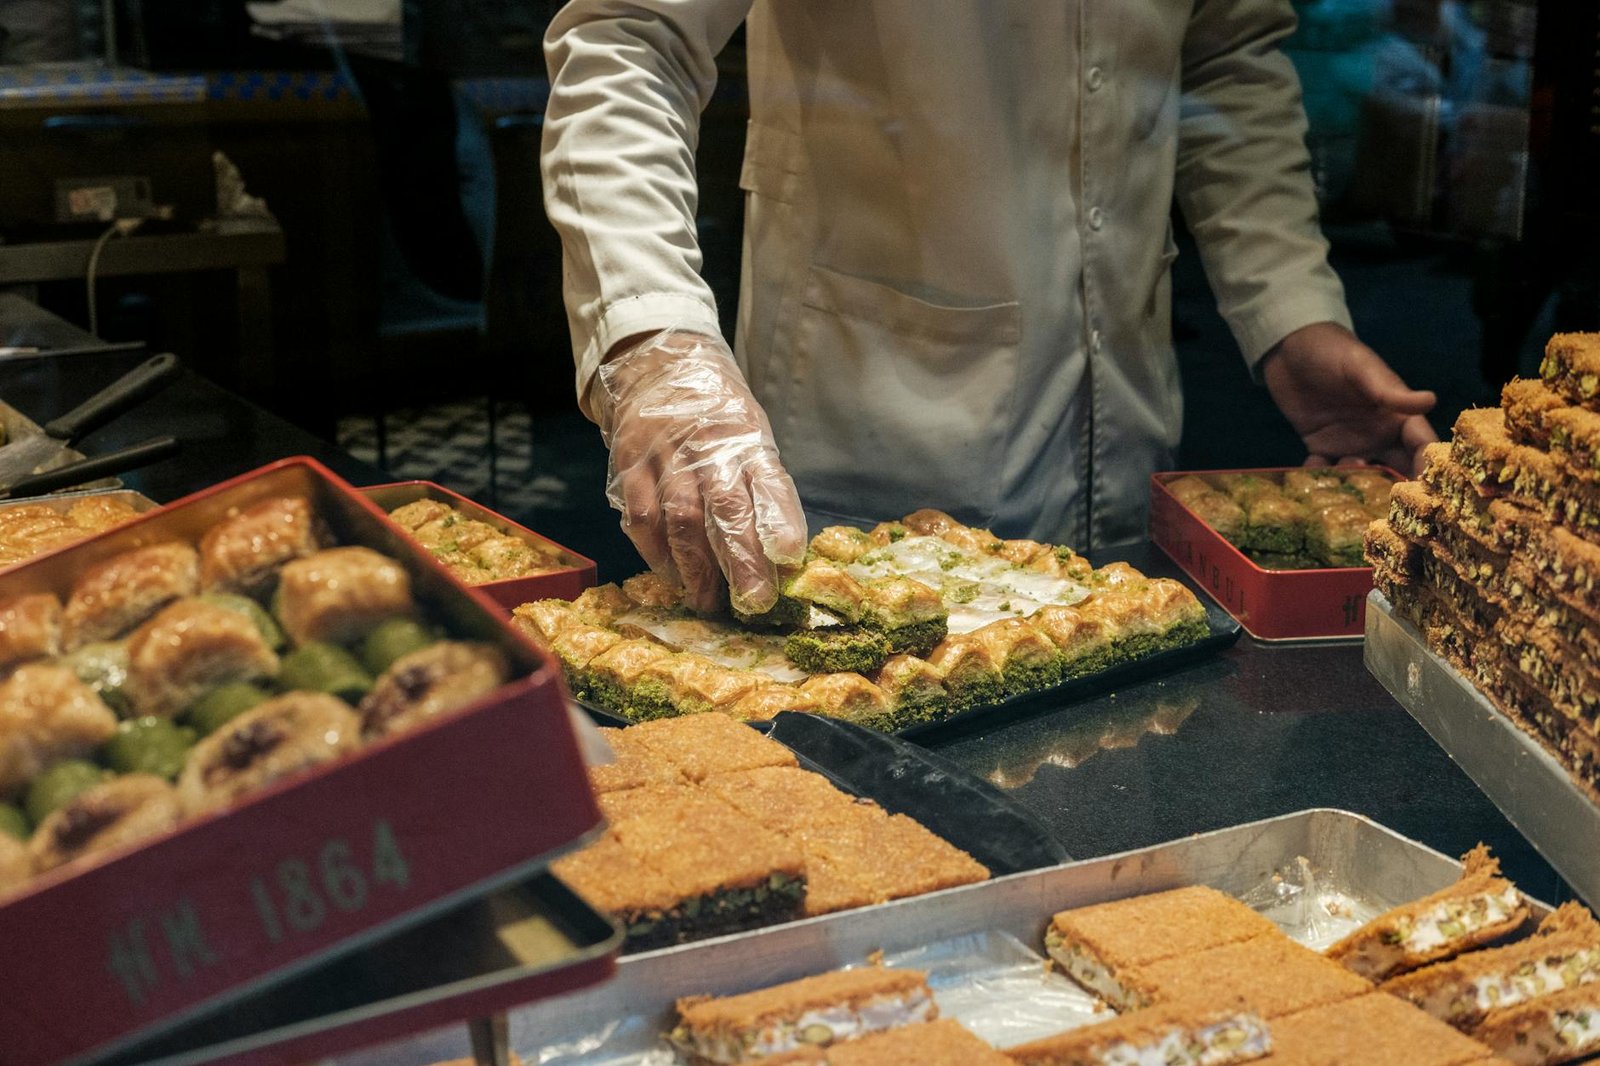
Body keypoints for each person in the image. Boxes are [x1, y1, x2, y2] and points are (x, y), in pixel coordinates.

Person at [540, 2, 1438, 616]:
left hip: (1125, 431)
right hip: (866, 426)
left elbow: (1225, 51)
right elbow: (631, 37)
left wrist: (1286, 309)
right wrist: (654, 340)